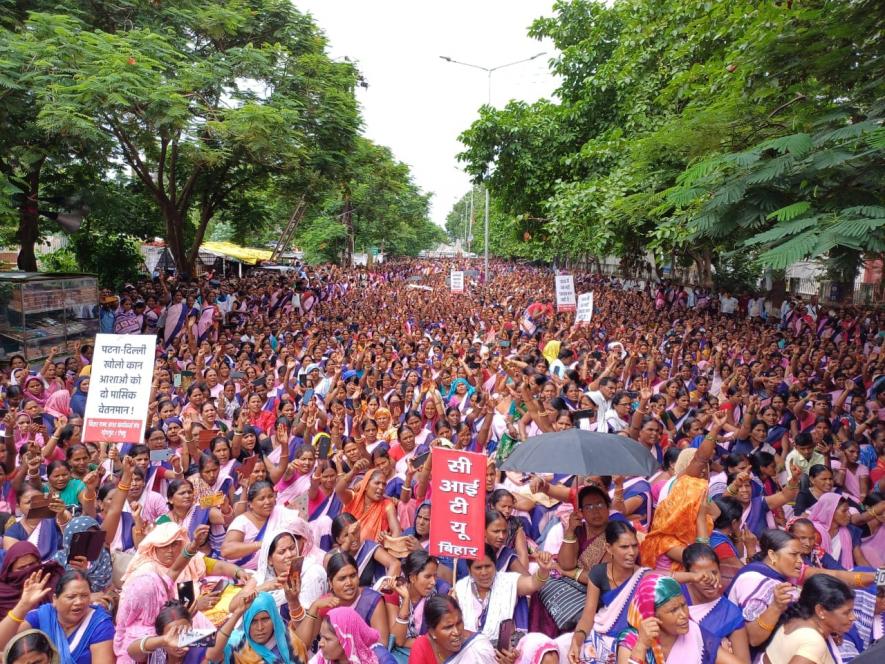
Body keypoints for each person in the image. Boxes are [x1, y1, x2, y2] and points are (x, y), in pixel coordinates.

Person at [568, 522, 648, 664]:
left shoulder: (644, 576)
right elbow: (587, 617)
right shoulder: (598, 573)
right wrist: (576, 641)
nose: (631, 552)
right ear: (609, 548)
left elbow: (669, 576)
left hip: (630, 641)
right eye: (624, 547)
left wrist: (693, 576)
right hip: (600, 636)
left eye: (635, 546)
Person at [0, 569, 114, 664]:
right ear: (55, 599)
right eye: (71, 597)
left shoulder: (100, 625)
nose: (79, 602)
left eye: (84, 596)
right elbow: (2, 644)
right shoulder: (44, 615)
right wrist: (23, 605)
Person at [455, 544, 554, 646]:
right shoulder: (460, 588)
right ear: (469, 570)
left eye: (488, 566)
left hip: (503, 651)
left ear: (495, 565)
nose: (484, 572)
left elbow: (532, 584)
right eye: (478, 568)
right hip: (469, 649)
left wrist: (543, 570)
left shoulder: (508, 581)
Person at [680, 544, 750, 663]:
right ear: (688, 574)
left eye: (714, 572)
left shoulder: (730, 614)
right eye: (701, 575)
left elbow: (744, 661)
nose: (710, 580)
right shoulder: (676, 595)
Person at [764, 574, 855, 664]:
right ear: (820, 611)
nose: (853, 617)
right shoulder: (814, 642)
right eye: (846, 612)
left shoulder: (795, 619)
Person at [407, 595, 497, 663]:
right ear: (432, 632)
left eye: (459, 623)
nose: (457, 632)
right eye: (448, 627)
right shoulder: (422, 647)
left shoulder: (478, 646)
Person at [317, 606, 397, 664]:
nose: (320, 644)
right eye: (321, 637)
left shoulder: (381, 659)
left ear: (346, 640)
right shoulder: (322, 658)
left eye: (327, 639)